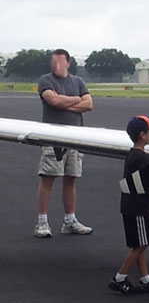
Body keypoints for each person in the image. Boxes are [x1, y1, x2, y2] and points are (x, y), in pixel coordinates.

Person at [109, 116, 149, 294]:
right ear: (142, 135)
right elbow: (143, 185)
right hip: (137, 207)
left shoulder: (132, 155)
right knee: (141, 245)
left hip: (131, 206)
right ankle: (119, 278)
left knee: (140, 244)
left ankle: (146, 279)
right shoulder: (142, 158)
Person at [35, 49, 94, 238]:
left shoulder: (78, 81)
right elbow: (54, 101)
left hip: (76, 137)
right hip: (53, 137)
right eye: (53, 63)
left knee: (71, 178)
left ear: (68, 63)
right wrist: (77, 100)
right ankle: (42, 222)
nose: (56, 66)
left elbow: (89, 104)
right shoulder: (46, 80)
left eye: (59, 62)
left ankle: (70, 221)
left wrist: (65, 101)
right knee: (48, 177)